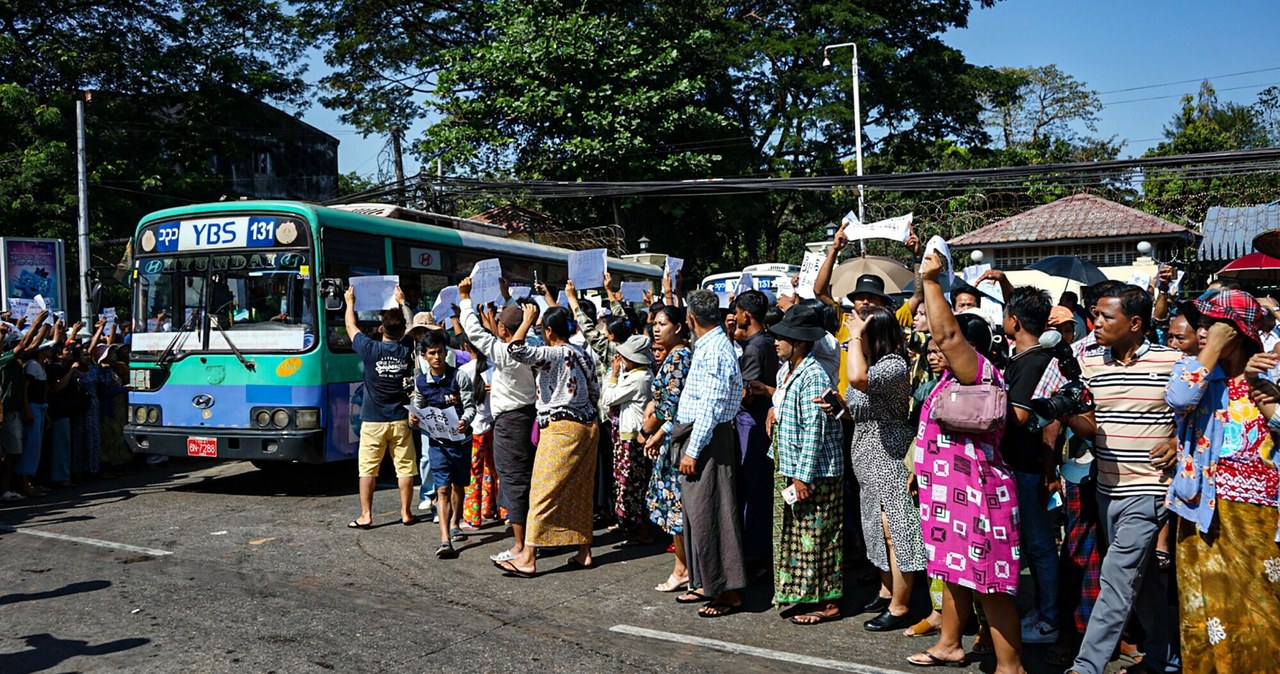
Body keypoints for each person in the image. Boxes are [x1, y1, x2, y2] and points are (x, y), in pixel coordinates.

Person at [909, 251, 1024, 673]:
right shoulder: (948, 380)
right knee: (953, 573)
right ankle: (949, 645)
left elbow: (948, 337)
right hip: (950, 499)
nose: (939, 348)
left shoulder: (978, 372)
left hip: (981, 497)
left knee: (992, 585)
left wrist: (931, 281)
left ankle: (1011, 667)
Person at [1062, 284, 1180, 674]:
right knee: (1142, 585)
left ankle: (1086, 667)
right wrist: (1067, 413)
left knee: (1115, 580)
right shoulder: (1089, 362)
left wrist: (1179, 444)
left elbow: (1208, 413)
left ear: (1134, 323)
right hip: (1106, 489)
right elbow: (1091, 428)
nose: (1095, 323)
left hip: (1150, 492)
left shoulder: (1173, 361)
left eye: (1105, 317)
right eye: (1094, 315)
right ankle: (1166, 658)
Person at [1166, 289, 1280, 674]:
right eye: (1201, 324)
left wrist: (1264, 393)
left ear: (1240, 330)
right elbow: (1180, 398)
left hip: (1260, 515)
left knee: (1261, 610)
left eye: (1213, 324)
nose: (1203, 331)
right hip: (1202, 508)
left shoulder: (1271, 371)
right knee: (1206, 609)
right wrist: (1212, 347)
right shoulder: (1194, 371)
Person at [837, 305, 924, 632]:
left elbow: (857, 379)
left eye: (860, 336)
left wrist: (855, 337)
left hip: (889, 456)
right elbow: (856, 402)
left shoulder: (894, 365)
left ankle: (901, 606)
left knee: (896, 532)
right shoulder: (873, 363)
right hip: (866, 455)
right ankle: (887, 590)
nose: (853, 342)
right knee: (875, 526)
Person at [496, 304, 600, 577]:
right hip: (588, 426)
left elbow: (515, 349)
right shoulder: (583, 354)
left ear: (549, 330)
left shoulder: (553, 353)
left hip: (561, 428)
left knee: (542, 491)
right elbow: (595, 391)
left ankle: (528, 557)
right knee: (580, 489)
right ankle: (583, 552)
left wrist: (527, 320)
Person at [670, 289, 745, 618]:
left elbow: (711, 407)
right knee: (697, 516)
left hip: (708, 441)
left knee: (712, 514)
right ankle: (706, 582)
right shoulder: (710, 345)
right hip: (702, 438)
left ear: (690, 319)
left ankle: (727, 592)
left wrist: (693, 450)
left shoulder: (715, 348)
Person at [768, 303, 844, 625]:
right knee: (800, 538)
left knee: (819, 538)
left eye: (782, 337)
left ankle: (826, 602)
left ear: (798, 342)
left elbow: (815, 429)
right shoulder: (789, 372)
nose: (775, 341)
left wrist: (802, 476)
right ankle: (803, 595)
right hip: (792, 465)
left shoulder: (812, 374)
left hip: (815, 472)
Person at [995, 285, 1060, 646]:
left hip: (1028, 464)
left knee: (1039, 544)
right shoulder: (1026, 358)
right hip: (1021, 463)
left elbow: (1018, 415)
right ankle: (1042, 609)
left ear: (1014, 321)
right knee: (1033, 545)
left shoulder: (1033, 361)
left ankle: (1049, 619)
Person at [458, 277, 538, 564]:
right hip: (530, 417)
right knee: (526, 480)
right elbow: (519, 326)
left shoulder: (504, 353)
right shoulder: (535, 346)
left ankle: (520, 547)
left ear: (502, 330)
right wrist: (513, 304)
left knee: (514, 481)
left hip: (510, 422)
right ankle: (530, 539)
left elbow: (474, 332)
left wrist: (464, 298)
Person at [344, 284, 417, 529]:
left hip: (373, 421)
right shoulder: (406, 347)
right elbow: (411, 327)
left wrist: (350, 302)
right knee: (404, 469)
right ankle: (406, 513)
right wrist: (402, 301)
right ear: (400, 331)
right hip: (400, 419)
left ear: (381, 328)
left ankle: (366, 515)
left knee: (367, 470)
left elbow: (350, 327)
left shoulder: (370, 349)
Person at [410, 329, 476, 558]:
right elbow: (416, 409)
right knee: (443, 489)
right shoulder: (421, 382)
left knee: (458, 486)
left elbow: (470, 407)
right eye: (431, 353)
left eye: (440, 352)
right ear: (424, 356)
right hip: (437, 443)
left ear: (445, 353)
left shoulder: (460, 377)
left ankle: (456, 523)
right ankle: (445, 539)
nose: (436, 357)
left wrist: (464, 421)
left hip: (460, 442)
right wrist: (414, 418)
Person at [643, 305, 694, 592]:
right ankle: (682, 567)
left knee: (676, 508)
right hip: (670, 439)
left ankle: (682, 568)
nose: (657, 329)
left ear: (678, 327)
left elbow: (670, 408)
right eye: (655, 324)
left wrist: (652, 430)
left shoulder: (679, 358)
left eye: (663, 323)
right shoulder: (675, 356)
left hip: (675, 441)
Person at [732, 289, 778, 570]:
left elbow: (748, 391)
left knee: (753, 487)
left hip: (752, 422)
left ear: (746, 316)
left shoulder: (754, 348)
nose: (734, 317)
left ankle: (756, 552)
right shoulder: (767, 341)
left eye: (737, 312)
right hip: (762, 421)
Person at [600, 334, 655, 541]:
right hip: (627, 433)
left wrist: (612, 375)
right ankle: (630, 525)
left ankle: (640, 529)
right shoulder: (640, 374)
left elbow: (608, 397)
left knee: (631, 483)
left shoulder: (639, 378)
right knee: (627, 483)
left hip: (631, 437)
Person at [457, 336, 499, 529]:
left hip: (474, 429)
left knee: (473, 474)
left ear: (466, 347)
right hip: (493, 426)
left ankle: (473, 517)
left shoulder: (463, 371)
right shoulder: (494, 368)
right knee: (493, 470)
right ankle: (493, 509)